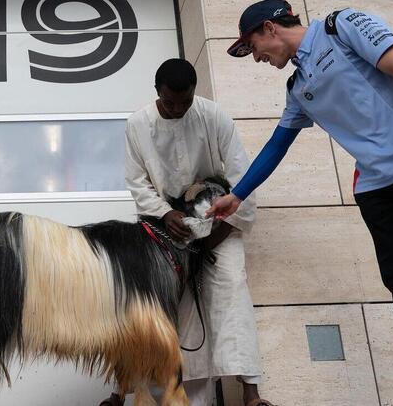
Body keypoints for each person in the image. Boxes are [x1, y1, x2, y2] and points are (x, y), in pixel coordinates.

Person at [206, 0, 393, 406]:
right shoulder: (297, 87)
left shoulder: (340, 26)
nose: (255, 58)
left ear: (271, 28)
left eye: (253, 46)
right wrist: (237, 196)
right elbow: (278, 144)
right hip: (378, 190)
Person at [99, 58, 274, 406]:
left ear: (195, 92)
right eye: (169, 102)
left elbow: (243, 177)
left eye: (185, 101)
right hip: (165, 229)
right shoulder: (138, 124)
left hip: (218, 223)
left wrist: (216, 234)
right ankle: (141, 394)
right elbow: (137, 183)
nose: (178, 109)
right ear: (157, 93)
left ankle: (251, 395)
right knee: (155, 307)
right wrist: (166, 215)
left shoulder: (213, 115)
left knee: (231, 289)